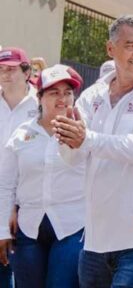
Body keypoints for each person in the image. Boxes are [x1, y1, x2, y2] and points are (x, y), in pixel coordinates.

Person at [55, 15, 133, 288]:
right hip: (95, 240)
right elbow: (72, 157)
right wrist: (67, 140)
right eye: (131, 45)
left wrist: (85, 139)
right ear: (110, 49)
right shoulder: (92, 96)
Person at [0, 65, 85, 288]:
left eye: (68, 92)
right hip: (29, 227)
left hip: (72, 225)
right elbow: (6, 184)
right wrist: (2, 230)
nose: (62, 98)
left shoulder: (85, 133)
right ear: (39, 97)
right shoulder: (21, 135)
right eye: (54, 92)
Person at [0, 47, 38, 288]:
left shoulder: (41, 104)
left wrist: (14, 205)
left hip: (26, 200)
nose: (5, 74)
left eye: (12, 69)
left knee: (16, 265)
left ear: (26, 72)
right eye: (2, 69)